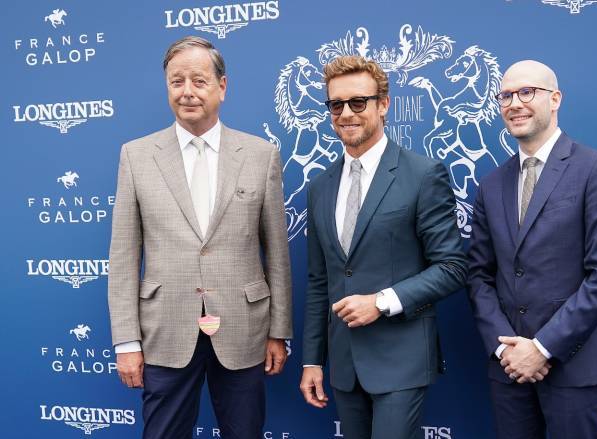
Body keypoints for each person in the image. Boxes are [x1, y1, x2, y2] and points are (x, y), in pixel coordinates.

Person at [107, 36, 292, 439]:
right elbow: (123, 257)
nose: (187, 92)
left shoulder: (261, 155)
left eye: (199, 81)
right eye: (177, 82)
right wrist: (126, 341)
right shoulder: (136, 156)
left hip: (245, 329)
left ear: (222, 87)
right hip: (164, 331)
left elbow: (277, 252)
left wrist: (279, 330)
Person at [299, 55, 467, 439]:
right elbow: (319, 281)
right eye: (336, 104)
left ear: (383, 104)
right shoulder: (320, 187)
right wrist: (312, 361)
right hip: (344, 364)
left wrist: (381, 301)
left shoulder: (423, 174)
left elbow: (453, 266)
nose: (346, 113)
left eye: (358, 102)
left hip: (401, 359)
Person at [466, 60, 597, 439]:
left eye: (527, 92)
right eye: (505, 95)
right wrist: (506, 349)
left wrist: (541, 348)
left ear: (555, 99)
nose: (514, 103)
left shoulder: (595, 170)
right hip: (508, 370)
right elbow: (478, 275)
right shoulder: (492, 184)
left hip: (573, 369)